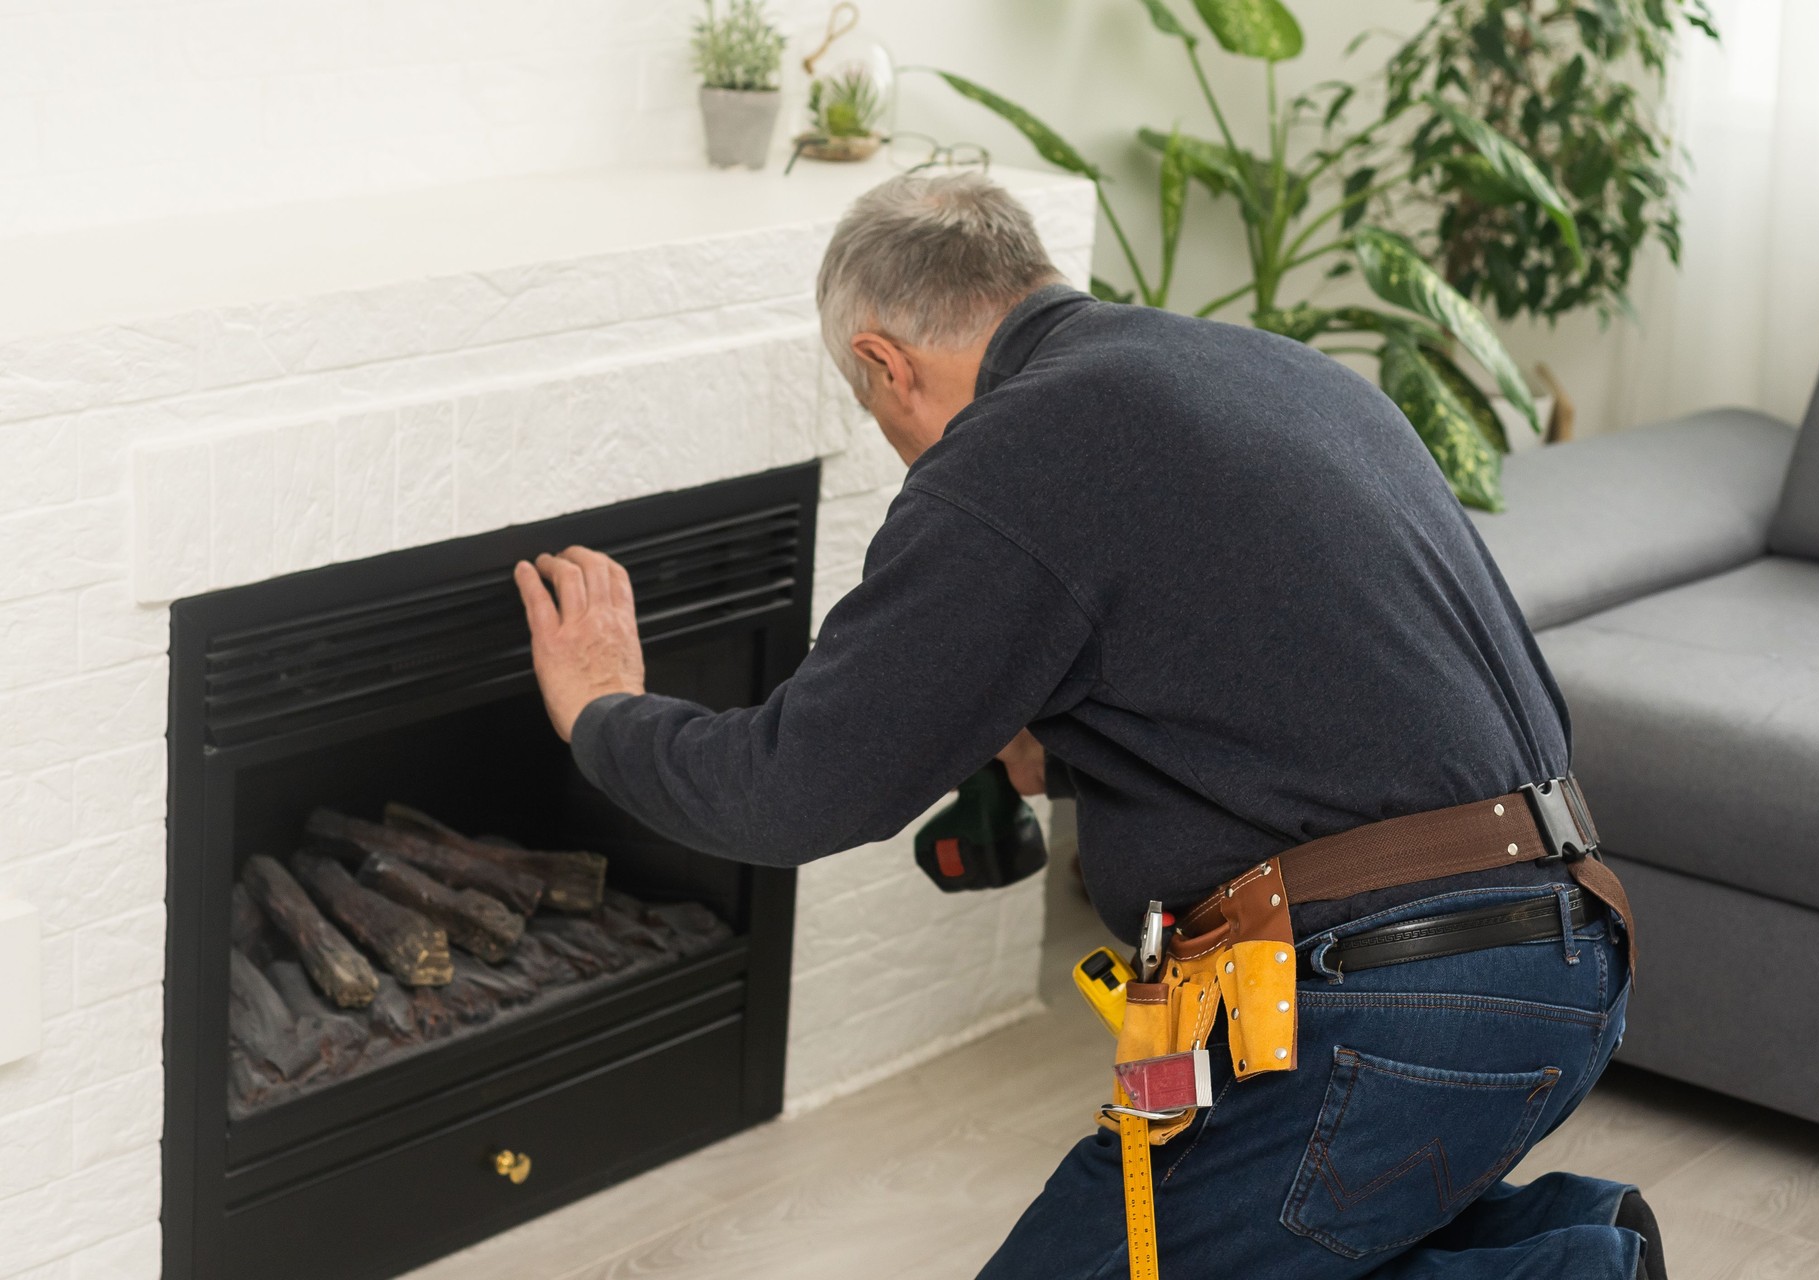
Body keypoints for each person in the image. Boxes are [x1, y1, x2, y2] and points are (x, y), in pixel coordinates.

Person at [513, 173, 1661, 1280]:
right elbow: (1317, 692)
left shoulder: (1016, 449)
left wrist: (607, 705)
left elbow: (791, 790)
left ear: (882, 362)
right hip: (1564, 950)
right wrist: (1066, 752)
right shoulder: (1261, 368)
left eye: (876, 412)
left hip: (1391, 1004)